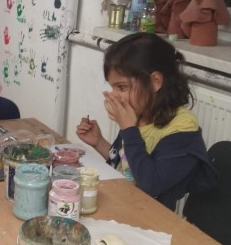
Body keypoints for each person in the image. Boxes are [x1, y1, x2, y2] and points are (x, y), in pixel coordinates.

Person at [76, 33, 218, 210]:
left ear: (155, 82)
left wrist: (129, 129)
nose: (114, 95)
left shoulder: (183, 130)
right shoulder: (140, 114)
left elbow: (150, 185)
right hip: (123, 204)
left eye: (122, 87)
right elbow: (127, 167)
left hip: (151, 217)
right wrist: (99, 142)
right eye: (112, 87)